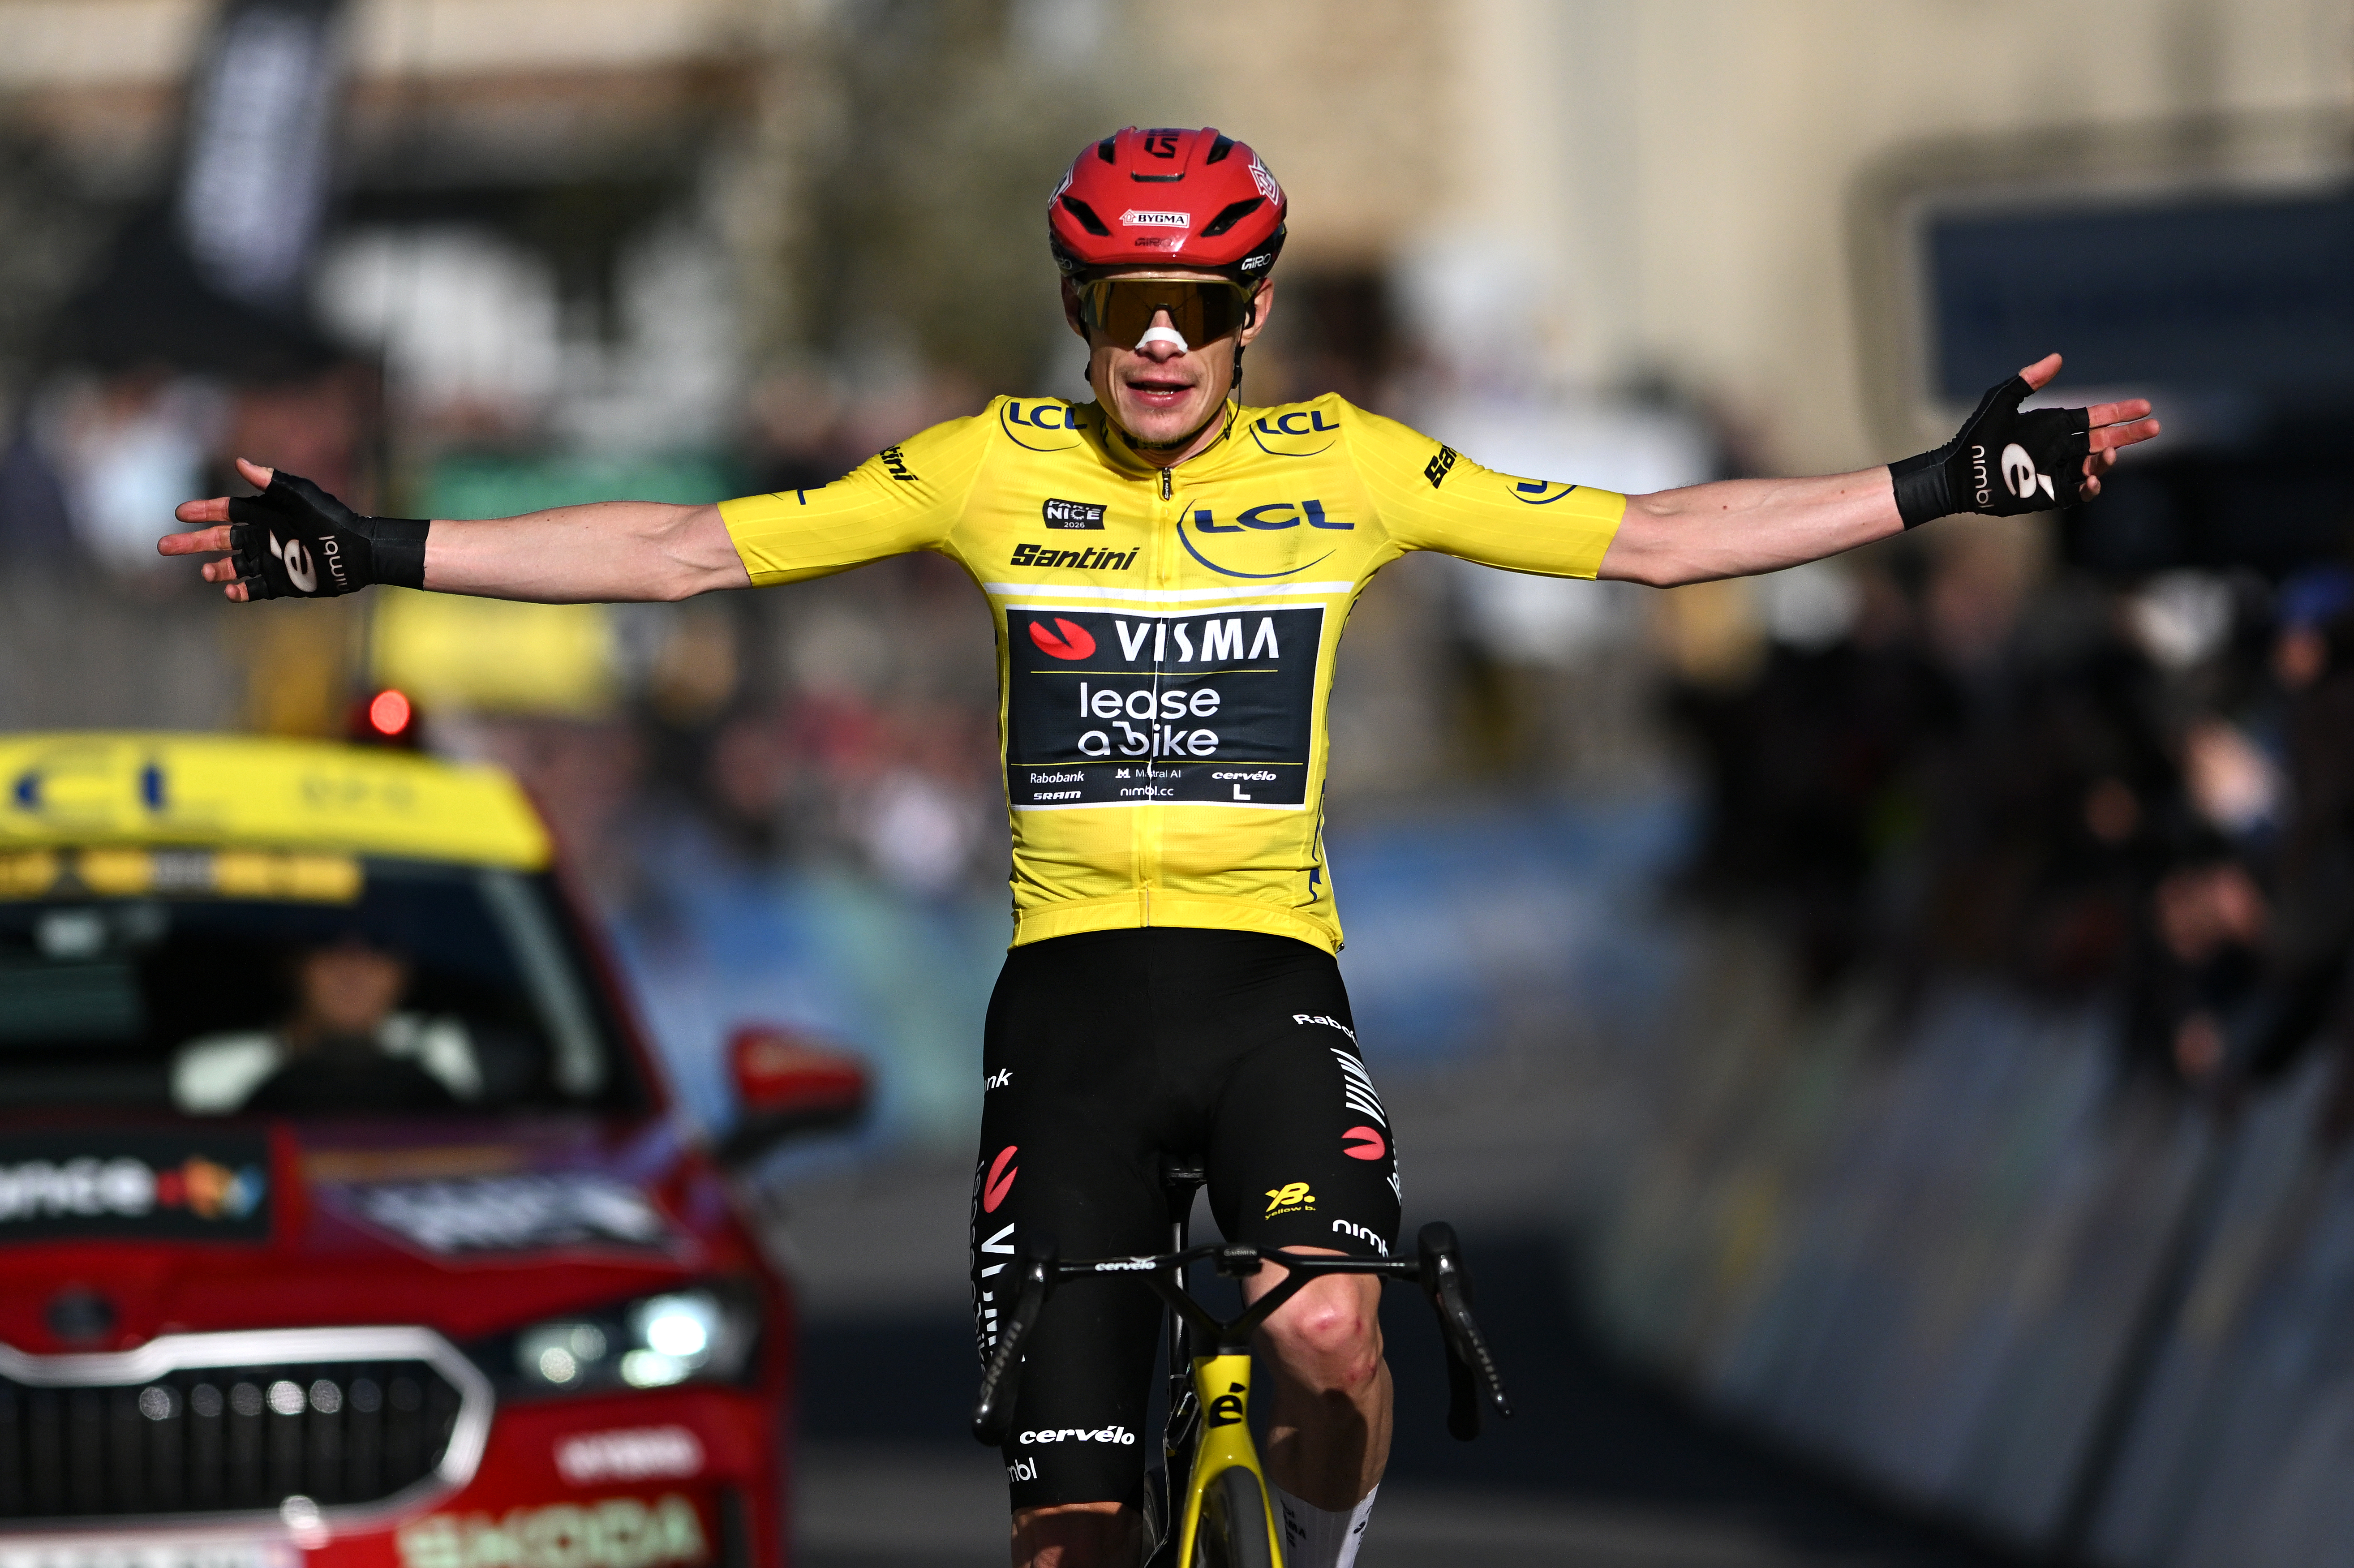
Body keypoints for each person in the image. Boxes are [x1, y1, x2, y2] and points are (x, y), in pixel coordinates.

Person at [159, 125, 2158, 1568]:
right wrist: (374, 544)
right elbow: (683, 551)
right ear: (1080, 307)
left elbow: (1645, 538)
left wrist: (1937, 481)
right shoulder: (989, 468)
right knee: (1067, 1530)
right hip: (1068, 1012)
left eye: (1197, 307)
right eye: (1125, 307)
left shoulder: (1348, 465)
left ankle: (1324, 1519)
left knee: (1325, 1322)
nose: (1161, 346)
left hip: (1264, 982)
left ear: (1250, 308)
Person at [174, 930, 480, 1114]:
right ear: (294, 962)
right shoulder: (211, 1072)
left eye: (377, 946)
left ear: (404, 970)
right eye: (332, 948)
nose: (354, 972)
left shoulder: (447, 1053)